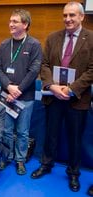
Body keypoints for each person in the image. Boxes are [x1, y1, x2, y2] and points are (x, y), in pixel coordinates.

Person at [31, 1, 93, 192]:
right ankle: (46, 164)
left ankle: (73, 173)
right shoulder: (52, 38)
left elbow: (92, 70)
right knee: (51, 134)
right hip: (53, 97)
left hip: (77, 99)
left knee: (75, 139)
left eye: (72, 15)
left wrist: (71, 89)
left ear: (81, 17)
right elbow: (45, 65)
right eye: (65, 15)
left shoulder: (91, 38)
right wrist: (52, 86)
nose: (68, 19)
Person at [0, 9, 42, 175]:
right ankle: (6, 157)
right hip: (5, 96)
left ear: (25, 24)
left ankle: (20, 160)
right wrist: (9, 87)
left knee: (22, 132)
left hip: (26, 97)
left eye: (15, 21)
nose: (11, 24)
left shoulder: (34, 45)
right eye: (10, 21)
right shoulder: (4, 44)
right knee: (6, 130)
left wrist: (18, 90)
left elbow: (34, 70)